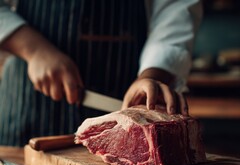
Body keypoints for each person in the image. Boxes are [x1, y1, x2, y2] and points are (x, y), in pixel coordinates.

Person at [0, 0, 202, 146]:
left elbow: (176, 9)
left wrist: (152, 76)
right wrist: (34, 49)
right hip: (27, 103)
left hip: (124, 91)